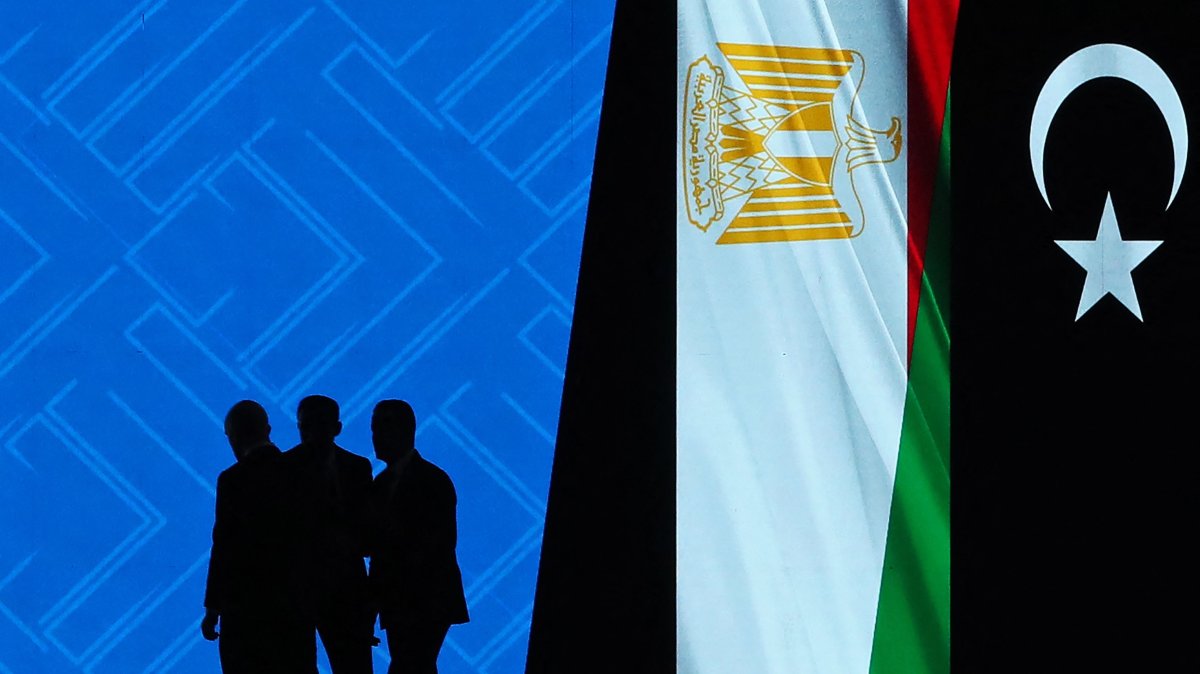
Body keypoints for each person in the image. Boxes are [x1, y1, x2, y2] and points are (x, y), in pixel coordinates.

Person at [201, 400, 312, 673]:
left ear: (234, 437)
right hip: (294, 607)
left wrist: (213, 607)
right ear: (268, 429)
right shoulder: (300, 471)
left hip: (245, 610)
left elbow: (224, 546)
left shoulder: (232, 481)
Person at [367, 400, 469, 674]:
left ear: (404, 430)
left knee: (409, 665)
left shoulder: (433, 480)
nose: (375, 436)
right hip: (402, 600)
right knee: (417, 666)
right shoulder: (382, 484)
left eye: (381, 428)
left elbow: (440, 544)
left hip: (426, 599)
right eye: (374, 429)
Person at [285, 395, 376, 674]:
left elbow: (367, 533)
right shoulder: (282, 469)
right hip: (303, 592)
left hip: (339, 591)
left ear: (336, 428)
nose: (310, 433)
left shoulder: (358, 468)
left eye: (317, 425)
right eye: (306, 426)